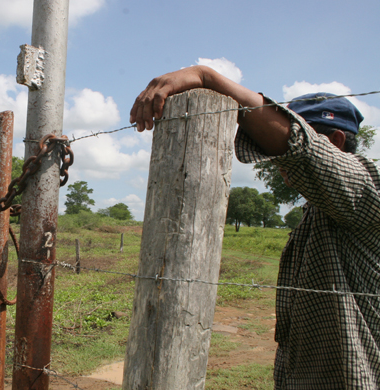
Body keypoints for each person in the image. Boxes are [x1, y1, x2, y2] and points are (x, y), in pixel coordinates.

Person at [131, 66, 380, 389]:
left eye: (276, 151)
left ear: (335, 141)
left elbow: (299, 146)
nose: (278, 164)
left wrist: (207, 78)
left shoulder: (366, 191)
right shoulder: (319, 213)